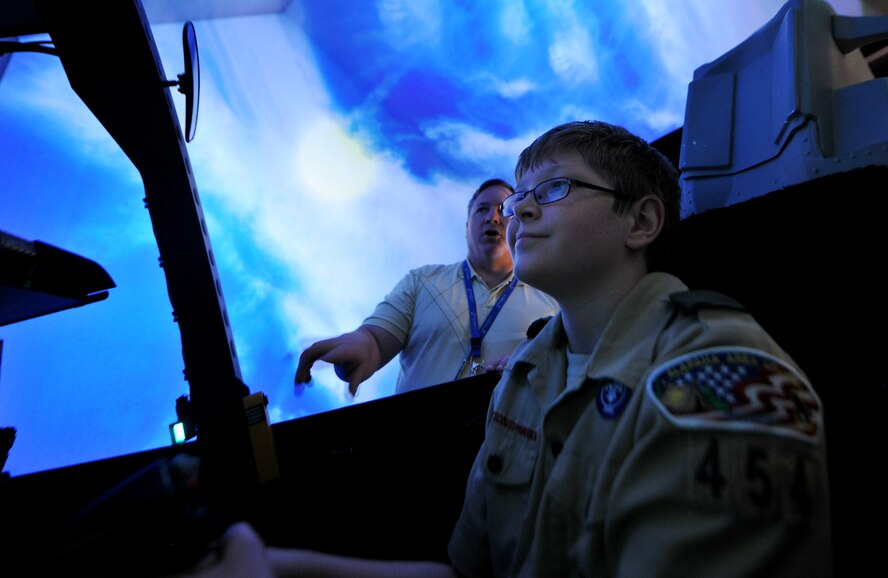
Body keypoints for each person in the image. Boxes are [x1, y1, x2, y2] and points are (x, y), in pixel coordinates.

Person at [183, 120, 831, 576]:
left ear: (640, 221)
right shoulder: (527, 375)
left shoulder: (722, 379)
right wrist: (276, 569)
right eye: (516, 198)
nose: (517, 212)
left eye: (552, 189)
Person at [294, 178, 559, 396]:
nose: (493, 217)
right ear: (467, 227)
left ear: (518, 225)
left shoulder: (552, 296)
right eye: (481, 210)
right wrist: (359, 348)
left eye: (503, 210)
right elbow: (374, 340)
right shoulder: (422, 281)